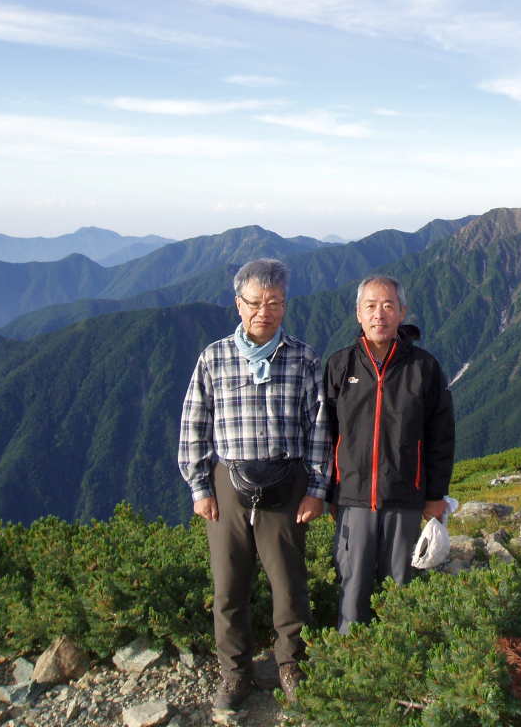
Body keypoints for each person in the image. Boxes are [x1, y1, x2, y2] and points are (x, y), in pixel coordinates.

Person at [178, 258, 331, 709]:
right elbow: (194, 424)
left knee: (289, 583)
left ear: (286, 305)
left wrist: (316, 488)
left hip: (288, 478)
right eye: (255, 302)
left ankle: (290, 665)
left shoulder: (303, 358)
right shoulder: (214, 357)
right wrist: (200, 487)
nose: (264, 311)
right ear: (238, 304)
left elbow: (320, 427)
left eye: (275, 303)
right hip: (229, 479)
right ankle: (234, 673)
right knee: (228, 585)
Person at [324, 274, 455, 634]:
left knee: (401, 587)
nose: (378, 314)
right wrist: (327, 492)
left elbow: (440, 437)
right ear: (358, 314)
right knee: (352, 589)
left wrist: (434, 496)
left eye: (387, 306)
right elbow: (326, 434)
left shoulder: (423, 368)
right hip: (351, 499)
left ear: (402, 312)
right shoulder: (340, 366)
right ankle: (352, 667)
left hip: (405, 497)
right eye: (370, 306)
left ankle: (401, 665)